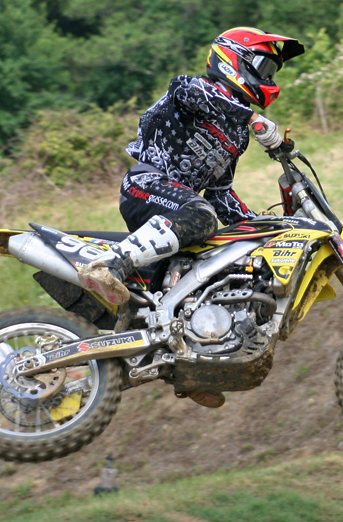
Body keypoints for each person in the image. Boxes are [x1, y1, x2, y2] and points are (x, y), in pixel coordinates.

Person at [79, 27, 304, 407]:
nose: (269, 78)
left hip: (177, 209)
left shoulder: (237, 134)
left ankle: (187, 363)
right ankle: (108, 266)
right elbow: (198, 96)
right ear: (235, 60)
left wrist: (265, 228)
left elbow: (220, 193)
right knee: (201, 216)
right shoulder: (192, 89)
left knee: (218, 265)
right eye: (265, 67)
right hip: (147, 185)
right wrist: (254, 119)